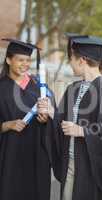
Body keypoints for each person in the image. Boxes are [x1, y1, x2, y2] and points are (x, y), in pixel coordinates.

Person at [52, 35, 102, 200]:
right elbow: (58, 123)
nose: (70, 64)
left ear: (82, 60)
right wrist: (49, 115)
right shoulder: (73, 89)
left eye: (71, 59)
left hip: (92, 169)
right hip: (70, 163)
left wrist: (83, 131)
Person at [0, 38, 55, 200]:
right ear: (9, 60)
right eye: (20, 60)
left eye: (28, 60)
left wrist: (47, 119)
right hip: (9, 154)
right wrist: (7, 125)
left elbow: (55, 117)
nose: (25, 64)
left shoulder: (41, 88)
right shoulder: (1, 87)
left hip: (37, 155)